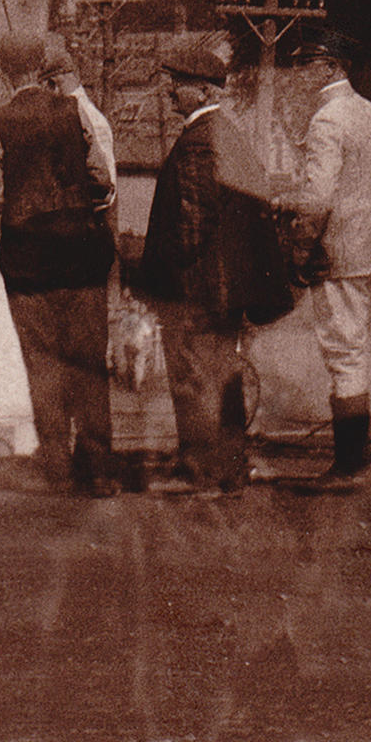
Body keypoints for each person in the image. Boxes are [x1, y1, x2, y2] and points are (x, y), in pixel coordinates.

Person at [135, 38, 290, 498]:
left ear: (202, 91)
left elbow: (192, 223)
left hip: (196, 289)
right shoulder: (226, 134)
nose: (169, 93)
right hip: (222, 288)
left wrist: (167, 279)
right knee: (222, 378)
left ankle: (203, 473)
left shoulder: (199, 142)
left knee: (195, 379)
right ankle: (230, 469)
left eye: (178, 85)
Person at [0, 30, 118, 495]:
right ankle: (97, 469)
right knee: (87, 362)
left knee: (43, 363)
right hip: (80, 258)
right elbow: (101, 178)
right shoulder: (73, 110)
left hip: (28, 262)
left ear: (3, 72)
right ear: (43, 67)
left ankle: (57, 466)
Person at [286, 34, 371, 491]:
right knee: (353, 348)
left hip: (336, 253)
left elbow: (316, 199)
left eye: (306, 65)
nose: (299, 74)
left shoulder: (327, 120)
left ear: (332, 67)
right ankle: (354, 457)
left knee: (343, 354)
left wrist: (300, 248)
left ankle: (350, 465)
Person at [43, 31, 118, 193]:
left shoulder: (87, 116)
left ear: (54, 82)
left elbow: (106, 185)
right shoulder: (74, 112)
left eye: (45, 86)